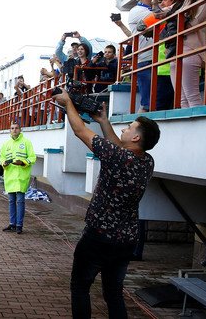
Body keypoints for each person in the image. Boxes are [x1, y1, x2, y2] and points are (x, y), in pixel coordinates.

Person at [52, 93, 159, 319]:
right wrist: (103, 121)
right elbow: (118, 146)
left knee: (80, 286)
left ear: (137, 138)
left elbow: (80, 131)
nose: (124, 131)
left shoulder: (118, 157)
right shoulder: (147, 161)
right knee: (113, 293)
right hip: (126, 239)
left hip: (99, 236)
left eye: (129, 128)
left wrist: (69, 102)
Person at [0, 123, 36, 234]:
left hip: (21, 177)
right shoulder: (6, 144)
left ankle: (19, 225)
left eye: (16, 128)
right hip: (10, 177)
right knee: (11, 201)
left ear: (20, 129)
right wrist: (3, 163)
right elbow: (2, 157)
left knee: (20, 201)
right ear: (9, 130)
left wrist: (23, 162)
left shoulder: (26, 142)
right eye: (12, 128)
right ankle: (12, 224)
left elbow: (32, 157)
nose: (14, 130)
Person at [126, 0, 157, 111]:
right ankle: (136, 127)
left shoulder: (150, 8)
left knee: (154, 100)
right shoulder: (136, 11)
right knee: (147, 102)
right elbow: (160, 15)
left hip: (155, 57)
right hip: (145, 58)